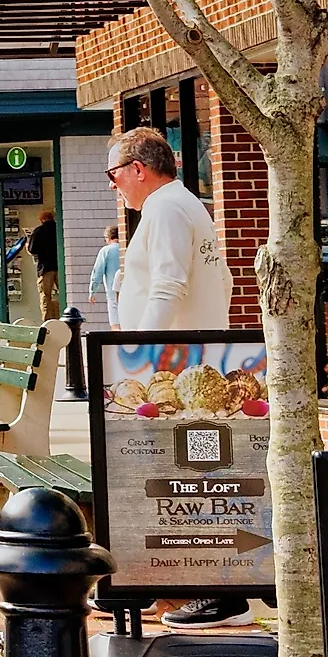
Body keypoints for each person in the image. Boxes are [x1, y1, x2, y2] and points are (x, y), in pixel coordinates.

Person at [104, 126, 242, 630]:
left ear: (138, 169)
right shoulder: (184, 203)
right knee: (185, 478)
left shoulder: (163, 208)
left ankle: (218, 592)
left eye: (114, 174)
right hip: (191, 363)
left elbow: (167, 284)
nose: (114, 185)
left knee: (196, 478)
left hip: (179, 368)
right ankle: (172, 584)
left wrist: (137, 354)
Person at [25, 211, 63, 321]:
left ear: (42, 220)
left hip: (45, 268)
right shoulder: (59, 229)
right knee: (64, 294)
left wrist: (27, 246)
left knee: (45, 296)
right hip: (60, 267)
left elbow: (32, 250)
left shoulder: (38, 231)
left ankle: (47, 321)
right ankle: (64, 318)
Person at [88, 218, 125, 323]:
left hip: (113, 293)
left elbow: (97, 272)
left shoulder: (106, 251)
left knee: (115, 323)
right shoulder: (127, 248)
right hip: (129, 291)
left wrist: (92, 291)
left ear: (108, 238)